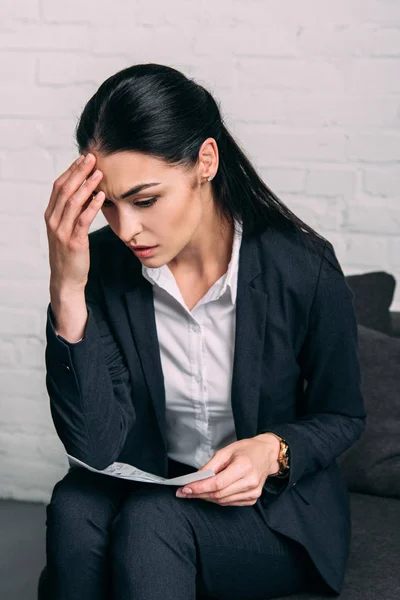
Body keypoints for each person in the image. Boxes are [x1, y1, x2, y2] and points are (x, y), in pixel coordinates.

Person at [42, 63, 366, 600]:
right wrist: (67, 291)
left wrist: (272, 451)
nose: (126, 230)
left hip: (269, 509)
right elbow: (95, 447)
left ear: (205, 162)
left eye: (145, 200)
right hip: (150, 476)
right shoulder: (95, 268)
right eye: (109, 206)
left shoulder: (302, 267)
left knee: (152, 523)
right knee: (76, 510)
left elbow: (344, 415)